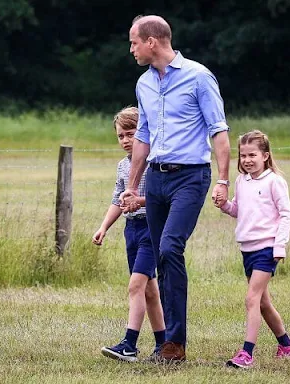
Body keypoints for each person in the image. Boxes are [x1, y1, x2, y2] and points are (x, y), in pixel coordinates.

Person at [120, 15, 232, 362]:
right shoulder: (143, 83)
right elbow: (143, 136)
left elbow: (219, 131)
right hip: (156, 178)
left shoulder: (199, 77)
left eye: (134, 42)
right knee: (162, 258)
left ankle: (175, 341)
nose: (131, 48)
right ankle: (167, 344)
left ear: (152, 41)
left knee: (170, 247)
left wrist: (224, 180)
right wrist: (133, 185)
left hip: (190, 177)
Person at [214, 130, 290, 369]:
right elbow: (238, 210)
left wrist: (279, 246)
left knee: (251, 299)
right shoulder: (243, 181)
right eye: (242, 156)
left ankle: (246, 353)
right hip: (247, 249)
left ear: (265, 155)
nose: (247, 160)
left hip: (267, 248)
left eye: (252, 154)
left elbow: (286, 214)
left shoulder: (274, 181)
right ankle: (287, 345)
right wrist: (224, 205)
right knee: (262, 303)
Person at [93, 106, 166, 362]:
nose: (125, 140)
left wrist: (140, 202)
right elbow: (118, 198)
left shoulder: (155, 162)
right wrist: (104, 227)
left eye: (130, 134)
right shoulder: (123, 166)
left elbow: (161, 199)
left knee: (136, 285)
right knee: (149, 291)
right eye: (121, 136)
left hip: (151, 229)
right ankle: (162, 344)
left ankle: (129, 345)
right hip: (131, 231)